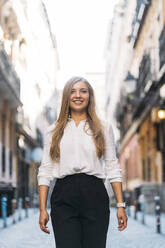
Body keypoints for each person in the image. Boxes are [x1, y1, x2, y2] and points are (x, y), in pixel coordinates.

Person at [37, 76, 128, 248]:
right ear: (66, 97)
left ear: (90, 96)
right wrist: (42, 209)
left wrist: (121, 205)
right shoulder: (53, 131)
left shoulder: (103, 127)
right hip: (63, 196)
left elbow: (112, 166)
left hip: (95, 195)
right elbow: (45, 170)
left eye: (83, 91)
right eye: (73, 91)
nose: (78, 95)